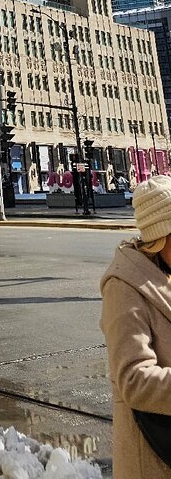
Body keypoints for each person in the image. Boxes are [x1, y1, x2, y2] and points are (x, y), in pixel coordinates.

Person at [101, 174, 171, 477]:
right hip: (153, 456)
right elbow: (134, 379)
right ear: (161, 236)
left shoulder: (166, 271)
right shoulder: (124, 286)